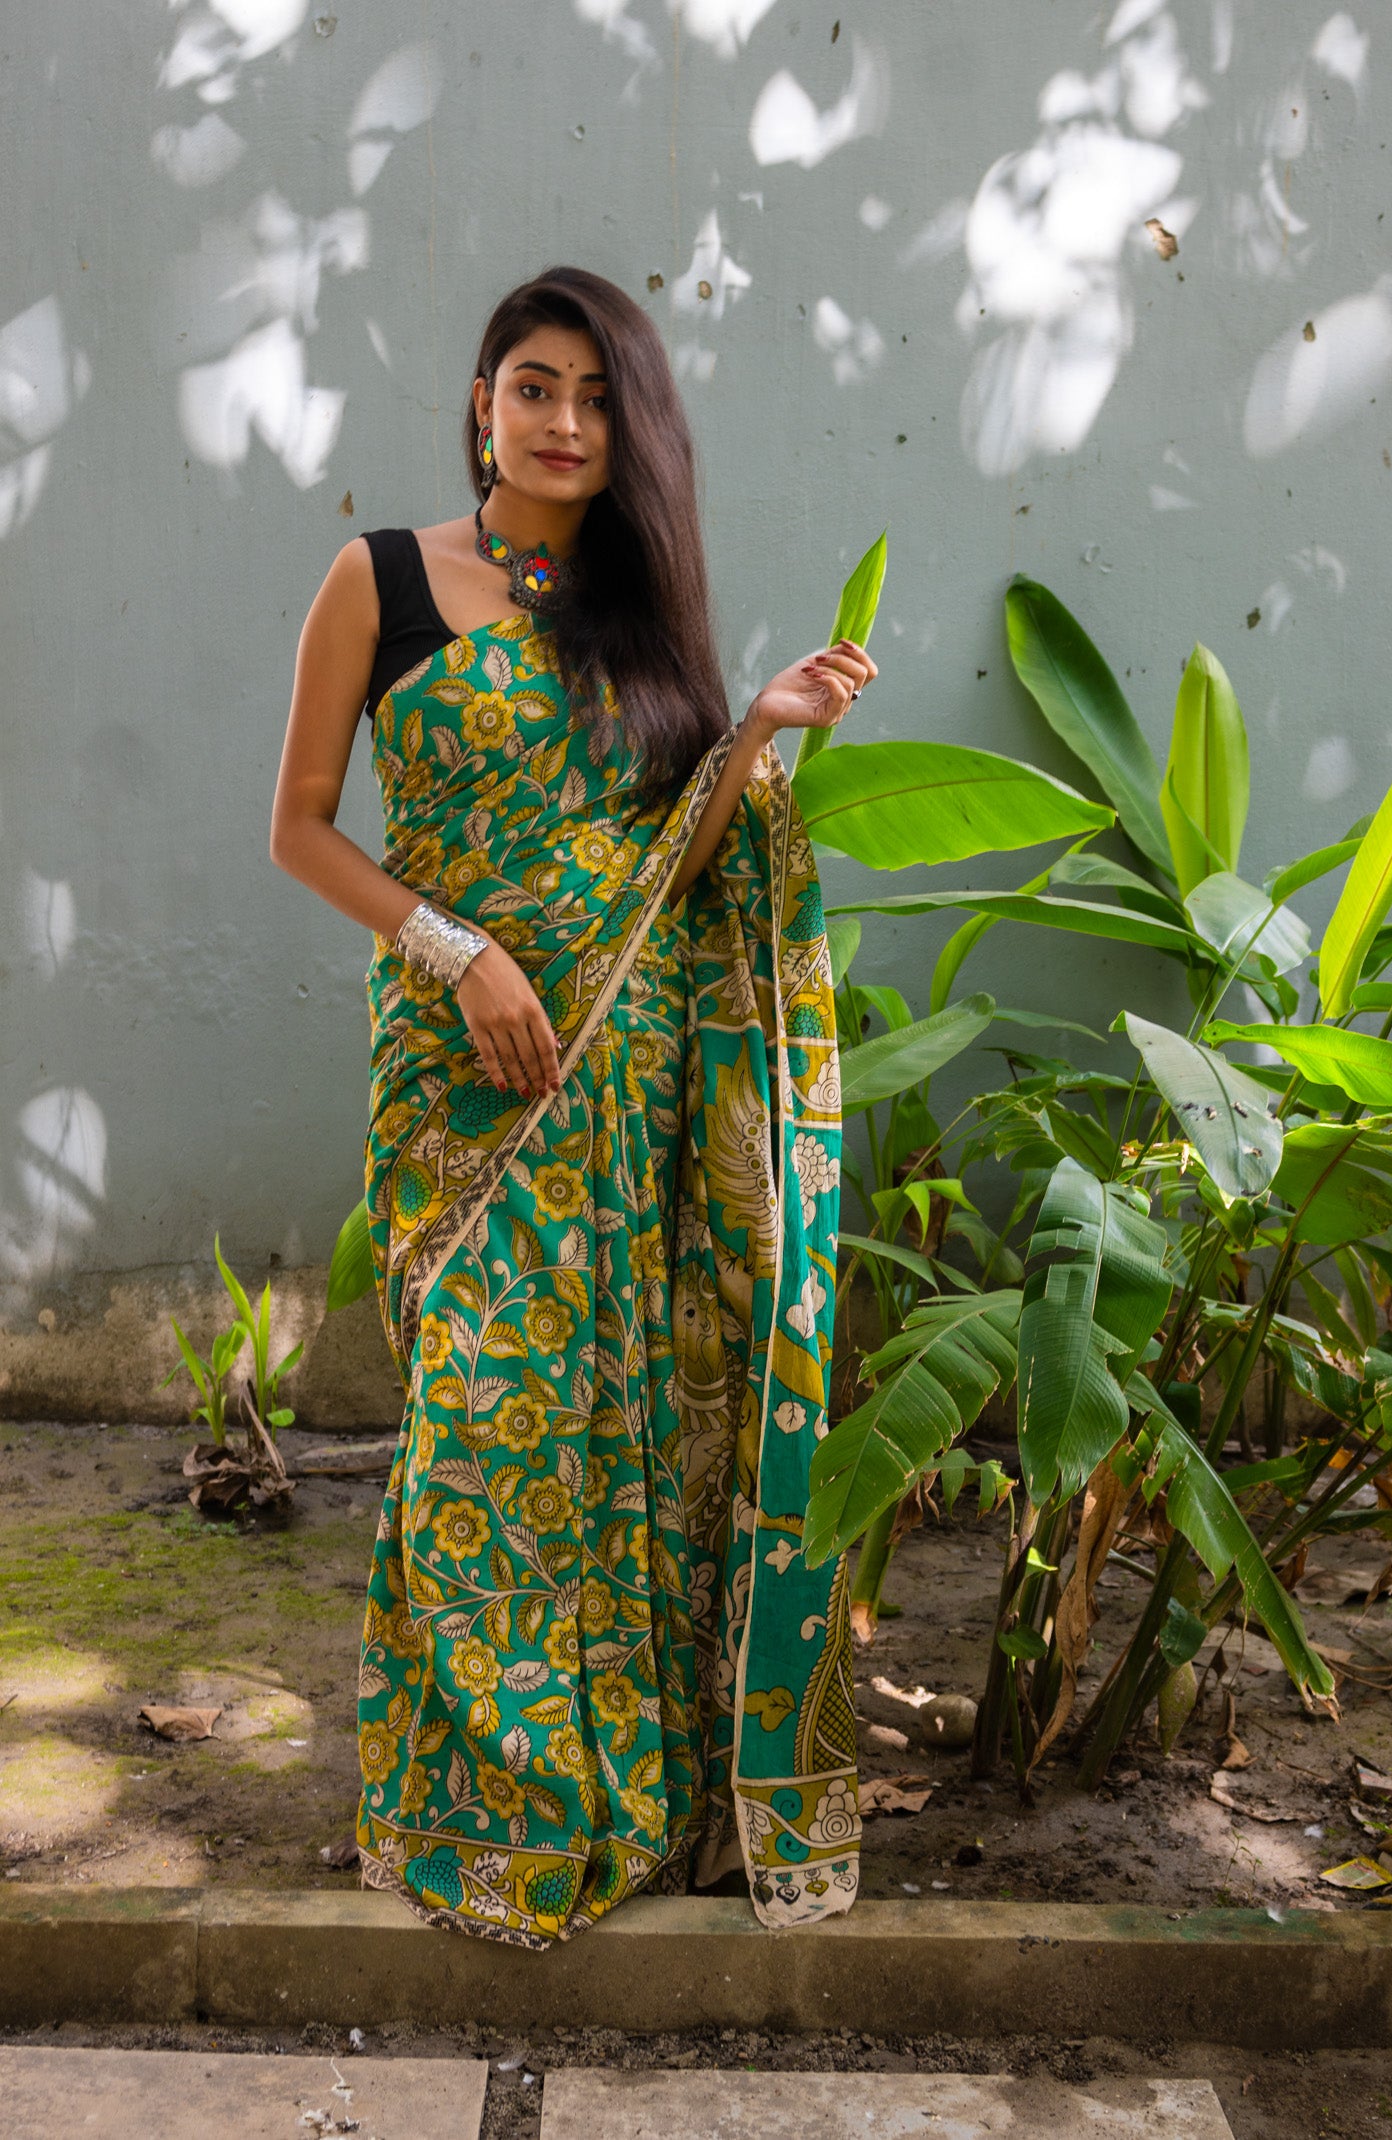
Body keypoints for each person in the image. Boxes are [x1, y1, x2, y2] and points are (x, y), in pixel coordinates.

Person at [270, 264, 877, 1948]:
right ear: (482, 401)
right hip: (466, 1079)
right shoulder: (378, 580)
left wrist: (755, 732)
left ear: (631, 434)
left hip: (633, 1080)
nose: (565, 421)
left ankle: (620, 1792)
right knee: (482, 1419)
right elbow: (304, 828)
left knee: (621, 1425)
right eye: (537, 385)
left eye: (601, 399)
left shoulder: (638, 614)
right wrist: (457, 950)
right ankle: (479, 1805)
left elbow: (675, 865)